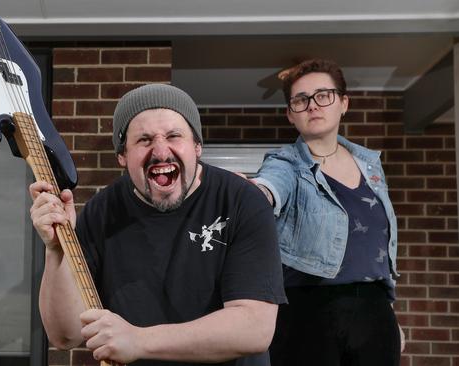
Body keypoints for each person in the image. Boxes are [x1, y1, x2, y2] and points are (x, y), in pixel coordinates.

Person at [29, 84, 287, 366]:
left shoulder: (242, 201)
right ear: (122, 157)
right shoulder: (101, 212)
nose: (161, 151)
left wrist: (138, 341)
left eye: (174, 136)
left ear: (197, 146)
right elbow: (65, 336)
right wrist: (57, 249)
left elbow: (254, 329)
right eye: (144, 140)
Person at [249, 59, 403, 366]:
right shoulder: (285, 163)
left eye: (323, 95)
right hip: (307, 314)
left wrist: (387, 317)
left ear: (343, 103)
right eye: (300, 100)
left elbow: (373, 251)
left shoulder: (370, 165)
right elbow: (269, 187)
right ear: (290, 114)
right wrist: (254, 194)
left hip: (374, 311)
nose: (312, 106)